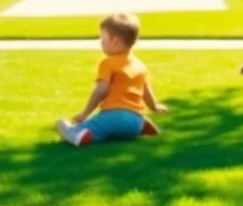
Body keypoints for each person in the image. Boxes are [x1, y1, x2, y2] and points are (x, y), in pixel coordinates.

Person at [56, 13, 167, 146]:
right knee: (121, 124)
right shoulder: (140, 65)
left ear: (114, 40)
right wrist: (154, 107)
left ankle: (80, 135)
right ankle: (142, 127)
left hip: (114, 116)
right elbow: (146, 91)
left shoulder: (108, 63)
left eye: (103, 39)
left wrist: (85, 113)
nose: (100, 42)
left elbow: (101, 91)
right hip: (135, 119)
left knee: (81, 127)